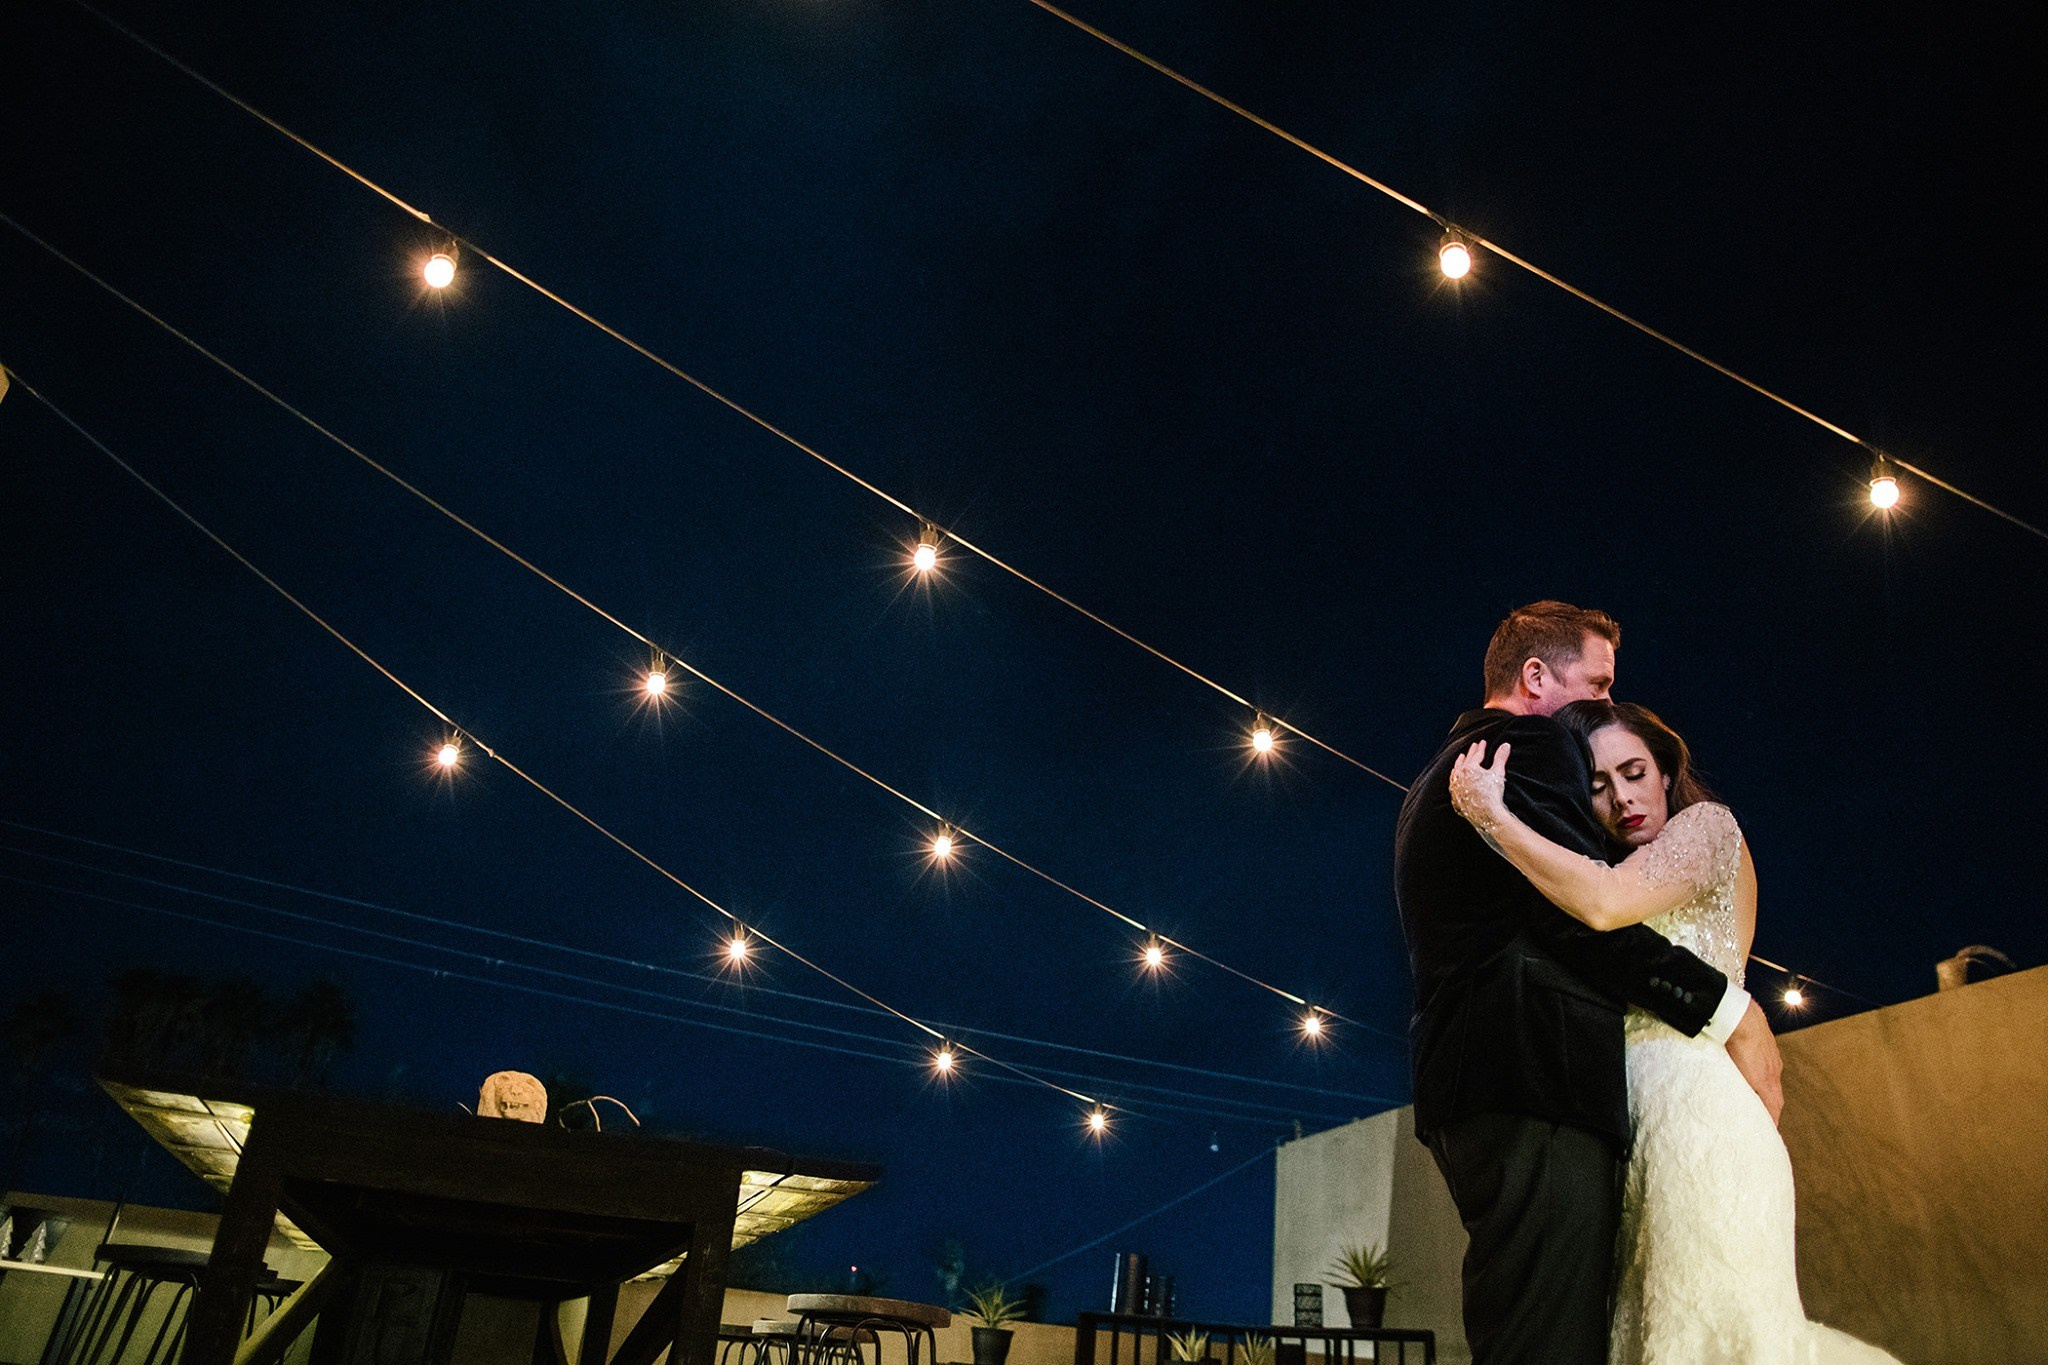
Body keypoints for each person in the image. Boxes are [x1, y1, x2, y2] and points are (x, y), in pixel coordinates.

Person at [1447, 701, 1900, 1362]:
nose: (1622, 796)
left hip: (1701, 1126)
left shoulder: (1707, 827)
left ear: (1666, 769)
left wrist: (1495, 818)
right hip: (1639, 1133)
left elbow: (1601, 903)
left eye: (1633, 771)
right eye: (1598, 787)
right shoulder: (1616, 865)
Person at [1392, 601, 1784, 1365]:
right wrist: (1728, 1010)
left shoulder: (1436, 775)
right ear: (1536, 675)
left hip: (1471, 1084)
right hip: (1537, 1080)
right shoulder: (1529, 745)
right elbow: (1580, 920)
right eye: (1598, 684)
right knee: (1548, 1342)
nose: (1608, 701)